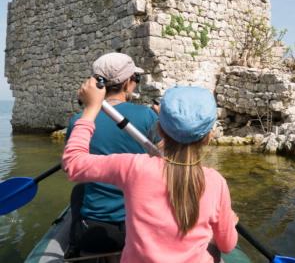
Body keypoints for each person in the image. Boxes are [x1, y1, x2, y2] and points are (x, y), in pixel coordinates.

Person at [63, 79, 239, 262]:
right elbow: (227, 245)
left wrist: (91, 108)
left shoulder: (135, 168)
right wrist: (230, 225)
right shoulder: (216, 183)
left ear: (160, 129)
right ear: (208, 136)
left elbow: (73, 163)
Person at [65, 53, 159, 259]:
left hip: (94, 233)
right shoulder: (148, 116)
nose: (135, 84)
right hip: (139, 229)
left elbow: (71, 163)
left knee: (79, 190)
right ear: (127, 83)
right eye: (136, 79)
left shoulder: (78, 122)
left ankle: (72, 246)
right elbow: (164, 159)